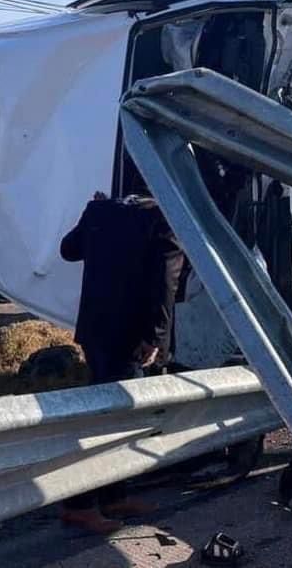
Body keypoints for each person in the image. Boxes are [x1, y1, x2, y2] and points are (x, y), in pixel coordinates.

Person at [58, 191, 185, 534]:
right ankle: (79, 503)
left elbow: (68, 250)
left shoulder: (99, 209)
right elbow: (166, 283)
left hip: (95, 329)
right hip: (130, 336)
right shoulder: (164, 219)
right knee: (112, 421)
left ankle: (113, 495)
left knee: (111, 415)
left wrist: (95, 218)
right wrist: (156, 337)